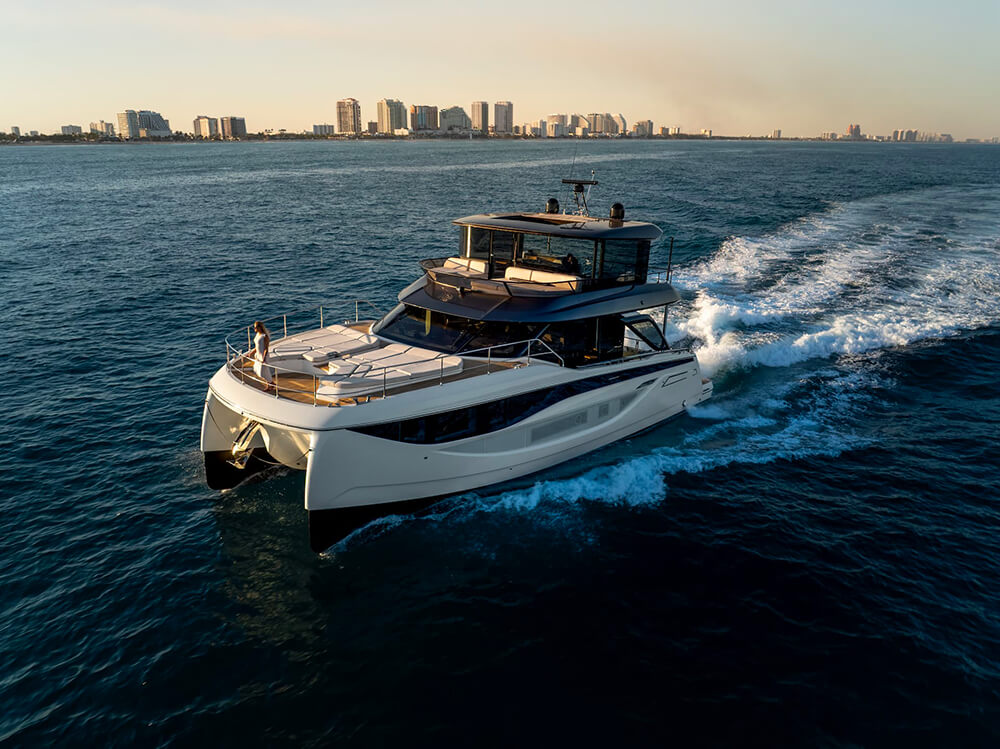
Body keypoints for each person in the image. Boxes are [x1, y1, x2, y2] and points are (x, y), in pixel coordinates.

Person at [250, 320, 275, 392]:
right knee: (259, 371)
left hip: (263, 356)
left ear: (260, 327)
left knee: (262, 372)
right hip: (258, 356)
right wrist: (251, 353)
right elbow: (257, 347)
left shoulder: (264, 336)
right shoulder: (257, 335)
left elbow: (266, 348)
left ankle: (270, 385)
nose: (254, 329)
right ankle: (271, 384)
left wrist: (263, 358)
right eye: (254, 327)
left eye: (256, 327)